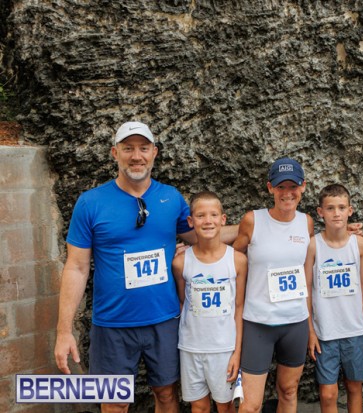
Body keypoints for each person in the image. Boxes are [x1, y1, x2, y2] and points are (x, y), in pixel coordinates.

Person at [53, 121, 237, 413]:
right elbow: (76, 267)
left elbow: (205, 237)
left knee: (166, 394)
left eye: (143, 148)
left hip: (163, 320)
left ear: (154, 153)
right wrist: (64, 331)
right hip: (112, 324)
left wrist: (254, 227)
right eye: (128, 148)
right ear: (115, 153)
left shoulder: (171, 198)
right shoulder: (90, 203)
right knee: (114, 403)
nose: (136, 156)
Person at [232, 157, 314, 413]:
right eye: (281, 187)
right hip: (259, 322)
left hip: (295, 322)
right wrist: (197, 250)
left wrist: (348, 231)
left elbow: (315, 257)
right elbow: (232, 259)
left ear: (303, 187)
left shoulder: (306, 222)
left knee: (288, 391)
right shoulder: (252, 220)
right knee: (250, 404)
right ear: (270, 188)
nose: (287, 193)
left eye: (293, 187)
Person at [172, 191, 247, 413]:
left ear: (223, 219)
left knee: (225, 405)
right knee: (199, 406)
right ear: (190, 221)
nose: (207, 221)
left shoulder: (237, 260)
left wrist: (237, 352)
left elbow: (239, 308)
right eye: (201, 215)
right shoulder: (181, 263)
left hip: (224, 348)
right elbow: (183, 302)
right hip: (191, 347)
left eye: (213, 215)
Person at [304, 184, 363, 413]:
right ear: (320, 212)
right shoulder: (313, 245)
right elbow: (306, 288)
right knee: (328, 393)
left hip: (354, 330)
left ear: (350, 211)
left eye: (342, 208)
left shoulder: (359, 244)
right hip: (325, 332)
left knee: (354, 387)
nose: (336, 213)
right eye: (330, 208)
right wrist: (310, 330)